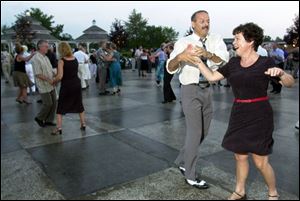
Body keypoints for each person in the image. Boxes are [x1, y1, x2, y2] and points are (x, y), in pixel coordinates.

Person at [194, 22, 294, 200]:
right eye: (234, 39)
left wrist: (280, 73)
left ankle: (273, 193)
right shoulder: (233, 63)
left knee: (260, 161)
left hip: (260, 114)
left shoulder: (266, 62)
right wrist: (197, 62)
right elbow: (211, 78)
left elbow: (289, 83)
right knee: (239, 157)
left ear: (251, 41)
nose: (234, 42)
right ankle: (240, 191)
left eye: (237, 39)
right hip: (239, 112)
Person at [167, 10, 229, 189]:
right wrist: (180, 57)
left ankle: (181, 160)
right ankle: (190, 174)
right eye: (201, 20)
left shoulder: (216, 39)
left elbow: (224, 62)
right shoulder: (183, 42)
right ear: (193, 23)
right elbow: (170, 67)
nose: (206, 23)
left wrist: (208, 54)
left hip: (208, 90)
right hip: (190, 89)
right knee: (194, 133)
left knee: (204, 132)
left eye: (208, 20)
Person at [51, 42, 86, 135]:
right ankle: (83, 124)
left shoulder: (61, 61)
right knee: (79, 104)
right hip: (76, 84)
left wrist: (53, 81)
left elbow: (60, 76)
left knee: (60, 107)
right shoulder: (75, 59)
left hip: (67, 85)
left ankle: (59, 128)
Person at [31, 40, 57, 127]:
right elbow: (38, 74)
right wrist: (49, 80)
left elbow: (50, 70)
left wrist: (56, 74)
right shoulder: (36, 58)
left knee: (54, 103)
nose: (48, 48)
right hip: (43, 85)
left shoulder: (45, 57)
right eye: (46, 46)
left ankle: (49, 120)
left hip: (51, 83)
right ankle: (39, 118)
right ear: (40, 47)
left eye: (48, 46)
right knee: (48, 103)